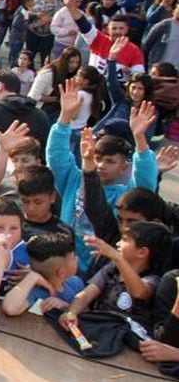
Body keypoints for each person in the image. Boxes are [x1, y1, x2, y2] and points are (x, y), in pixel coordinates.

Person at [49, 81, 159, 276]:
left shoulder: (124, 196)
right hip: (60, 267)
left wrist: (140, 139)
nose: (101, 165)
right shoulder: (74, 180)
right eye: (98, 159)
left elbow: (145, 183)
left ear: (124, 167)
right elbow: (56, 156)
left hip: (97, 272)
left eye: (110, 162)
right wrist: (65, 117)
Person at [68, 221, 170, 329]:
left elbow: (139, 292)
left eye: (124, 240)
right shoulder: (112, 268)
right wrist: (71, 313)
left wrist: (118, 258)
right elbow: (87, 294)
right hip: (98, 326)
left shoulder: (153, 279)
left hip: (125, 336)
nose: (118, 243)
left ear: (142, 252)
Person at [1, 232, 84, 316]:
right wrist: (33, 277)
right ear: (61, 273)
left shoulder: (76, 283)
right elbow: (10, 308)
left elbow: (87, 311)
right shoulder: (35, 291)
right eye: (73, 258)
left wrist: (66, 307)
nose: (77, 259)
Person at [16, 165, 73, 240]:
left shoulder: (64, 233)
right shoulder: (13, 227)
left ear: (52, 197)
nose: (31, 208)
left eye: (38, 202)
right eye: (25, 201)